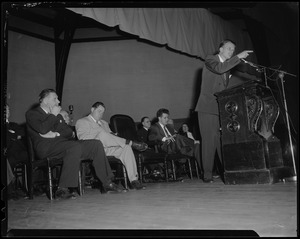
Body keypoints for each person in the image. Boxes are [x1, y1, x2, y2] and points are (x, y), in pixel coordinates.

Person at [26, 89, 125, 200]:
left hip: (64, 145)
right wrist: (53, 116)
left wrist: (55, 134)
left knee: (95, 144)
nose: (58, 102)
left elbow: (69, 132)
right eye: (55, 98)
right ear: (45, 100)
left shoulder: (57, 115)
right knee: (74, 146)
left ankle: (107, 183)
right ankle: (62, 189)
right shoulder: (32, 114)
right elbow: (43, 128)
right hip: (46, 148)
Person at [195, 39, 253, 183]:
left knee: (222, 140)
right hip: (207, 108)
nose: (231, 51)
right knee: (209, 141)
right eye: (228, 48)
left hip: (220, 109)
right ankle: (207, 174)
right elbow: (220, 68)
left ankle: (228, 171)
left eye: (233, 50)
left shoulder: (227, 68)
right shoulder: (211, 59)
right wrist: (238, 57)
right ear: (220, 49)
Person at [75, 101, 146, 190]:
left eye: (103, 112)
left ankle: (134, 180)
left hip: (108, 149)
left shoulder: (104, 123)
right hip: (94, 149)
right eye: (99, 111)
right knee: (102, 134)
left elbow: (109, 138)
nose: (101, 114)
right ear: (92, 109)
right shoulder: (82, 121)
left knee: (126, 148)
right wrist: (99, 135)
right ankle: (131, 142)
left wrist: (112, 135)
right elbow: (82, 138)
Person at [148, 108, 202, 177]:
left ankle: (203, 170)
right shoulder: (154, 127)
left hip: (175, 146)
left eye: (167, 117)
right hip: (164, 147)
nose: (167, 119)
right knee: (178, 137)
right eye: (165, 118)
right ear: (159, 118)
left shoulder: (169, 127)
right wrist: (165, 138)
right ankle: (193, 143)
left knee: (196, 147)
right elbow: (151, 137)